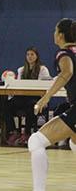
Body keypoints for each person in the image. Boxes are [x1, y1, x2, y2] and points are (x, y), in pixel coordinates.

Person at [28, 18, 76, 191]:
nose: (53, 34)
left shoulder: (63, 53)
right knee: (74, 143)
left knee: (36, 141)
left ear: (61, 35)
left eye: (55, 31)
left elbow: (68, 72)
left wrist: (46, 97)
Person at [6, 47, 51, 146]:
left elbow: (46, 85)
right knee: (7, 105)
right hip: (22, 97)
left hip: (36, 97)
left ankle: (27, 133)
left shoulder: (43, 69)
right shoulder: (21, 70)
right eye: (28, 54)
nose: (30, 57)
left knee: (31, 106)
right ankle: (14, 131)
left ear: (36, 56)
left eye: (32, 54)